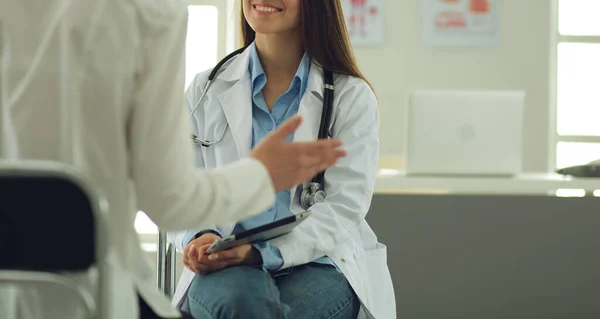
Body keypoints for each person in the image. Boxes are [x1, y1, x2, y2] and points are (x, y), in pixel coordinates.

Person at [0, 1, 346, 319]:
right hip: (95, 296)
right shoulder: (150, 14)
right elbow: (169, 201)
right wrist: (260, 177)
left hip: (13, 289)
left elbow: (342, 210)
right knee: (244, 302)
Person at [169, 0, 396, 318]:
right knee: (243, 304)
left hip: (317, 259)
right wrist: (200, 236)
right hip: (225, 261)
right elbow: (179, 187)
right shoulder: (204, 89)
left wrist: (260, 254)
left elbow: (345, 207)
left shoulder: (351, 96)